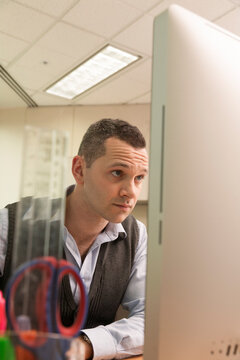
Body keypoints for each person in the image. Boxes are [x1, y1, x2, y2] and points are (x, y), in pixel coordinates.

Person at [0, 118, 148, 360]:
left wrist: (84, 346)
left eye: (139, 177)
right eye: (117, 173)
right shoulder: (10, 223)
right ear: (79, 170)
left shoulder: (136, 235)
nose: (130, 191)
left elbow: (148, 319)